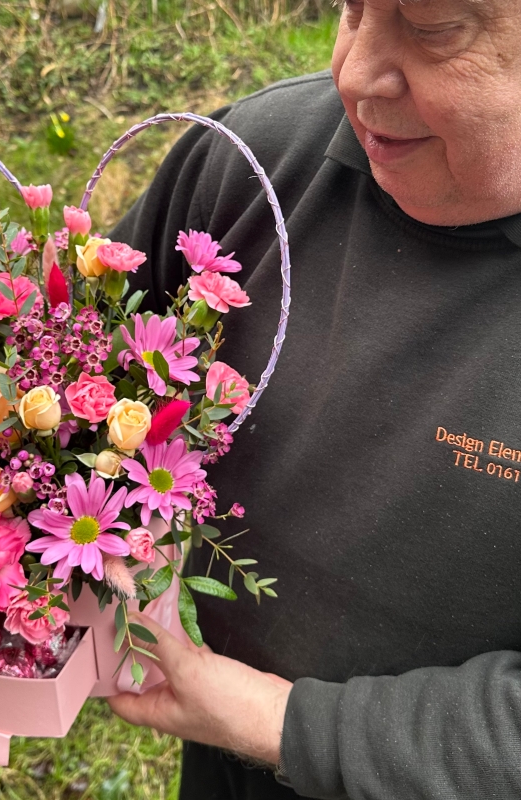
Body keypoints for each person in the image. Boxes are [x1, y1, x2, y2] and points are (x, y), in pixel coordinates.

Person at [105, 1, 521, 798]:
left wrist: (271, 719)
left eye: (434, 28)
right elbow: (80, 349)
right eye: (352, 7)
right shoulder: (256, 158)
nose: (356, 73)